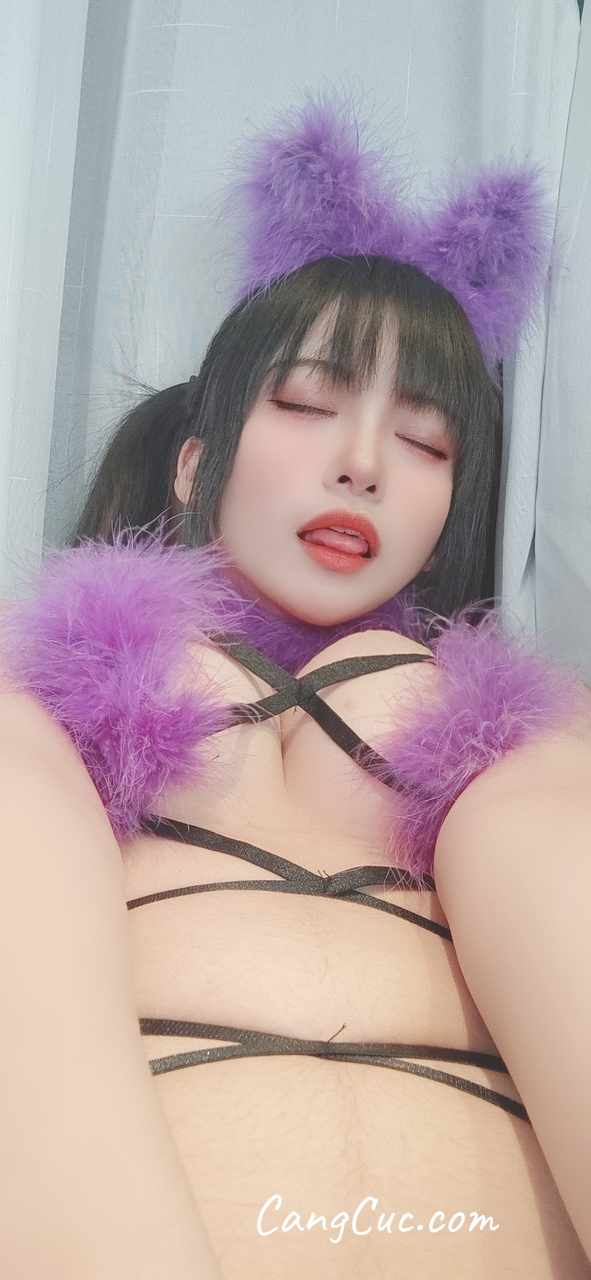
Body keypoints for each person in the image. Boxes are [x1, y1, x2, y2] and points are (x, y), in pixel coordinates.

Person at [1, 98, 590, 1280]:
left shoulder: (514, 745)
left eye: (425, 443)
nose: (362, 464)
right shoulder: (44, 711)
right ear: (193, 463)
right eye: (310, 405)